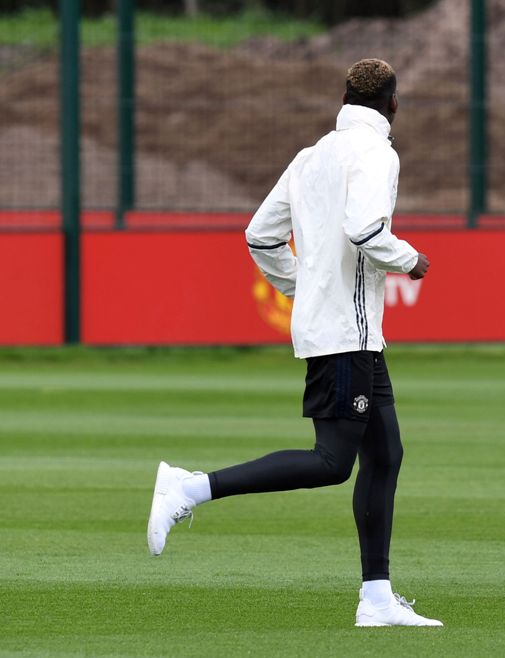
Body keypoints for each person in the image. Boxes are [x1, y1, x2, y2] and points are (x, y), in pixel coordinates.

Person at [146, 58, 443, 627]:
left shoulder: (312, 155)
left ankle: (377, 600)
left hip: (341, 331)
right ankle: (190, 487)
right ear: (394, 103)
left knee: (385, 456)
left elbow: (260, 235)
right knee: (333, 462)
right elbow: (366, 229)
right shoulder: (378, 152)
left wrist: (302, 282)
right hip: (345, 333)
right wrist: (410, 260)